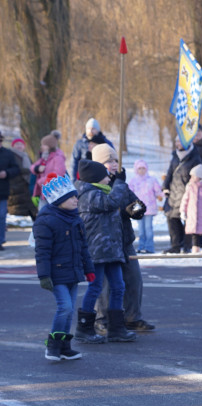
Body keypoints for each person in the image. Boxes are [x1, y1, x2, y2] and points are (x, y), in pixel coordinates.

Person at [88, 144, 153, 335]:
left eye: (115, 160)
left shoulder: (120, 183)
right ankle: (101, 320)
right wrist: (119, 190)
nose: (114, 164)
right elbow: (107, 206)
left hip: (124, 240)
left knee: (134, 279)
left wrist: (135, 209)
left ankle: (132, 317)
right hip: (103, 243)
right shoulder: (94, 186)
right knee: (104, 285)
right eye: (109, 161)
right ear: (99, 165)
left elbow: (135, 204)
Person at [74, 160, 138, 344]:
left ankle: (116, 329)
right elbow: (111, 203)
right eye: (105, 175)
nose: (109, 178)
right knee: (95, 287)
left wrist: (131, 209)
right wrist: (120, 182)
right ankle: (84, 328)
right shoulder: (88, 194)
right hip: (97, 251)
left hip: (111, 250)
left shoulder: (102, 191)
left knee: (118, 286)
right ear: (95, 178)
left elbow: (120, 205)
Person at [34, 175, 94, 361]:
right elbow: (42, 252)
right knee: (65, 307)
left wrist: (89, 269)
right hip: (56, 273)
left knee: (69, 310)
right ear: (59, 200)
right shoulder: (46, 221)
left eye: (76, 196)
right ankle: (52, 346)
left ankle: (64, 348)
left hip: (73, 271)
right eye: (72, 197)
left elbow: (83, 247)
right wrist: (44, 276)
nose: (76, 200)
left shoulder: (75, 218)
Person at [161, 136, 202, 253]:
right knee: (171, 218)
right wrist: (165, 187)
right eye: (176, 141)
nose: (177, 144)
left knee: (187, 219)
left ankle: (187, 245)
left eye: (180, 141)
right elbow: (170, 173)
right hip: (173, 193)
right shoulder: (175, 156)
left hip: (187, 194)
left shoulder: (195, 157)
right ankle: (175, 245)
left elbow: (198, 176)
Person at [127, 159, 163, 254]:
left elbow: (158, 192)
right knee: (141, 230)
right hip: (138, 208)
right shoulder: (133, 181)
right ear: (136, 169)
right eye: (139, 168)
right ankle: (141, 246)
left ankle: (149, 247)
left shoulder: (152, 180)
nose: (142, 170)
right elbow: (129, 193)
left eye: (143, 168)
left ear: (146, 169)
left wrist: (164, 194)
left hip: (150, 208)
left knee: (148, 229)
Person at [181, 164, 202, 253]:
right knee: (194, 232)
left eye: (193, 176)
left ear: (199, 176)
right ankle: (195, 246)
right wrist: (183, 211)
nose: (191, 177)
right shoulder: (190, 187)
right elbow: (185, 200)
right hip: (192, 214)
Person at [0, 131, 24, 251]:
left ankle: (0, 240)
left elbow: (16, 169)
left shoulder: (8, 153)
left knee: (1, 216)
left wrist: (6, 173)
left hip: (2, 190)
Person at [31, 133, 68, 199]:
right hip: (44, 191)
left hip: (54, 191)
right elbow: (32, 167)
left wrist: (41, 181)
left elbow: (59, 174)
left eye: (44, 145)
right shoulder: (45, 156)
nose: (41, 146)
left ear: (50, 146)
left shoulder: (58, 157)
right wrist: (37, 168)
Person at [7, 137, 35, 220]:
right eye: (17, 144)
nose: (19, 146)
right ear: (13, 146)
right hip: (15, 186)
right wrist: (28, 170)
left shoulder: (26, 156)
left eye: (21, 144)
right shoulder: (10, 155)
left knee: (30, 208)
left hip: (26, 185)